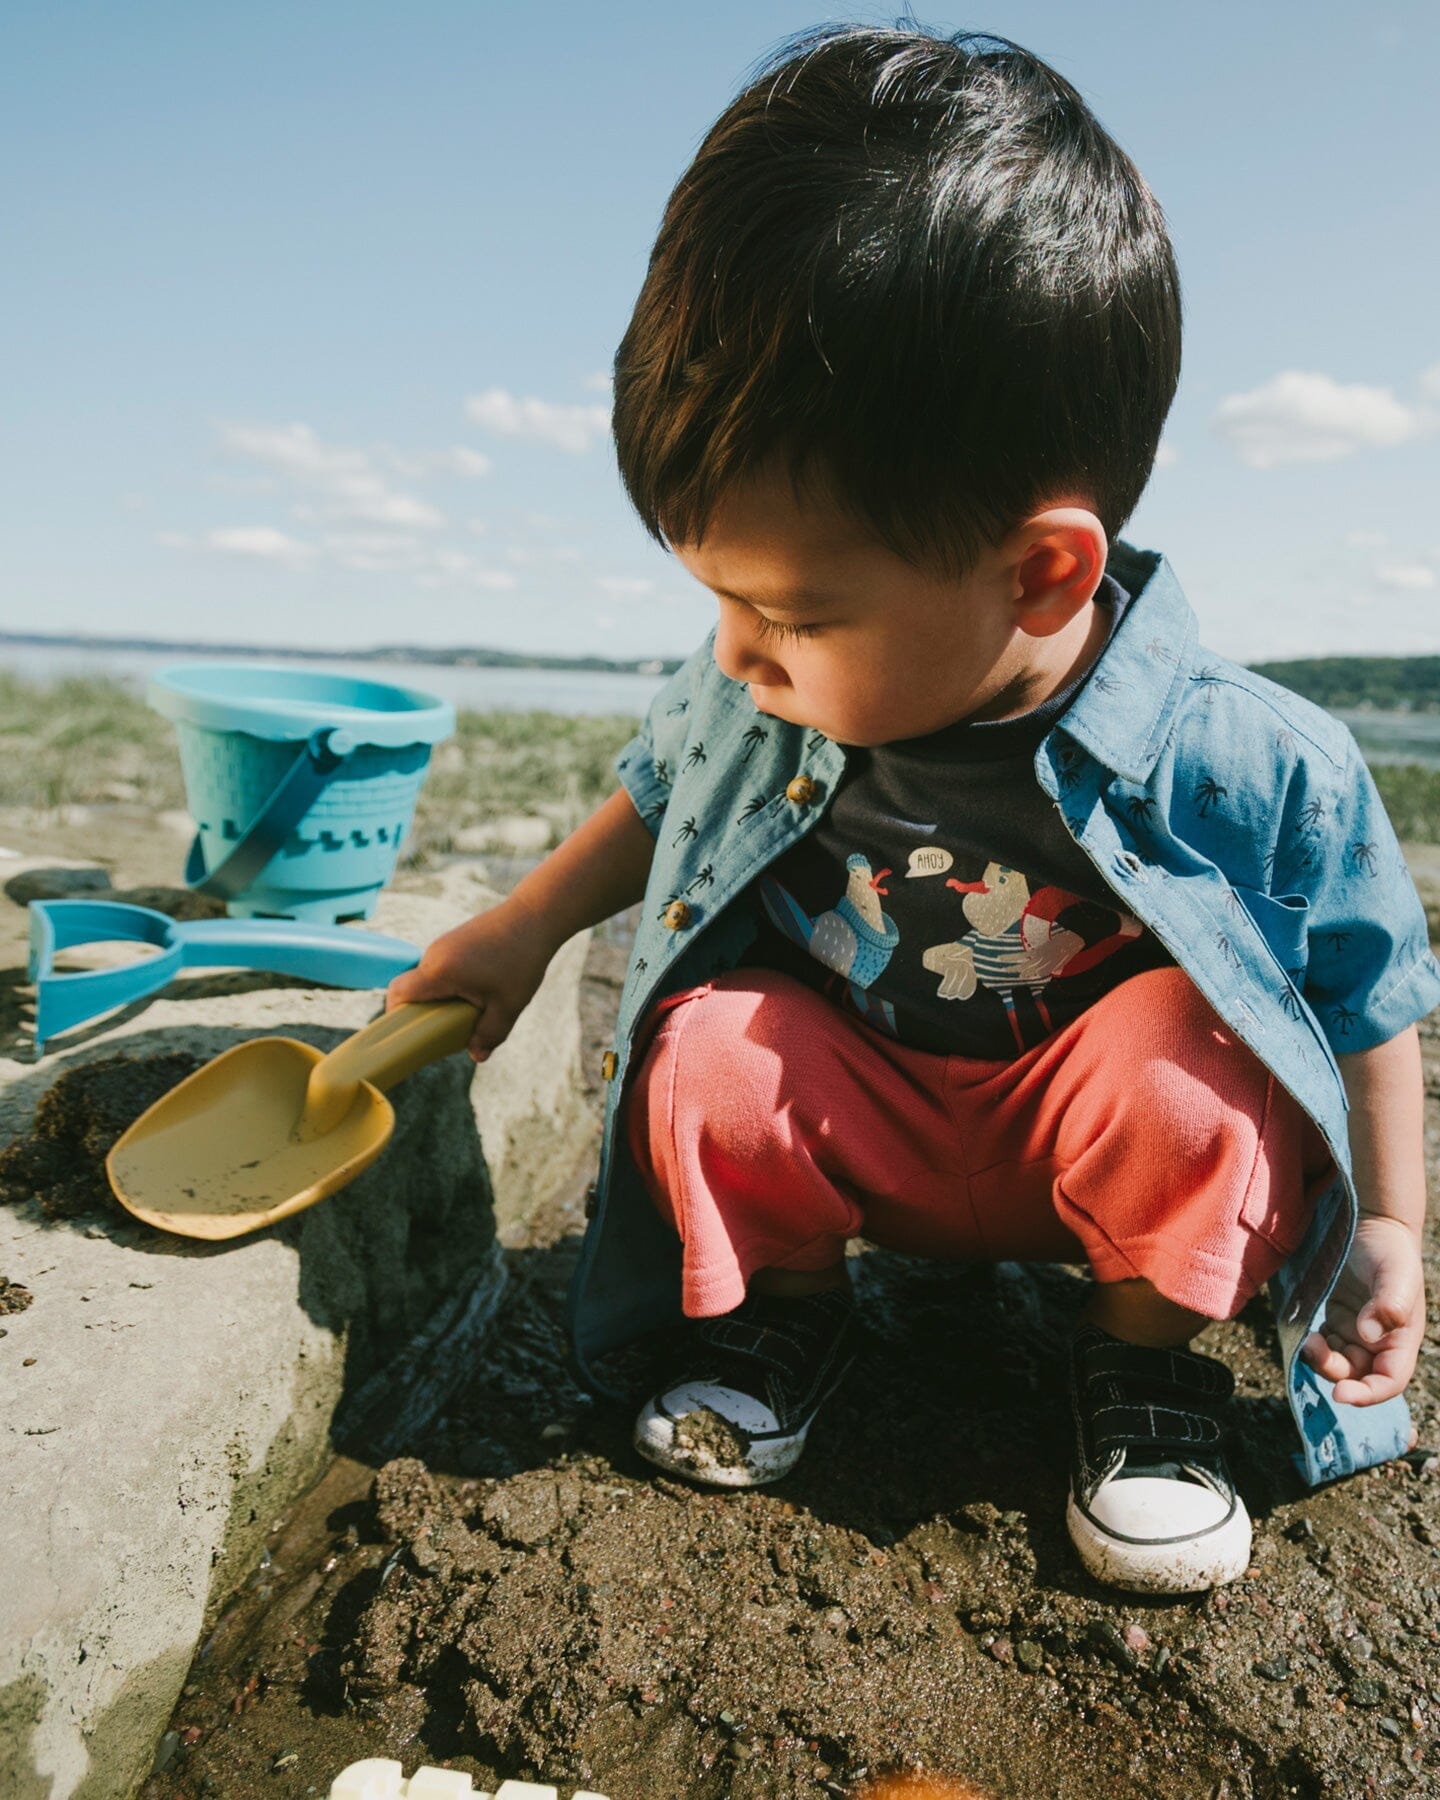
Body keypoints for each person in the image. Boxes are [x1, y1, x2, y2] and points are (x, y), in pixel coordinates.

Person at [388, 25, 1438, 1594]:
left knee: (1203, 1072)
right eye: (718, 602)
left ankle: (1138, 1365)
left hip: (1079, 1140)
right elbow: (653, 793)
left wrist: (1392, 1234)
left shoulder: (1252, 759)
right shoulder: (751, 686)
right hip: (862, 1107)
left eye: (793, 614)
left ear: (1040, 571)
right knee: (706, 1043)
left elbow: (1366, 1001)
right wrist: (524, 929)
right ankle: (788, 1314)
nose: (738, 655)